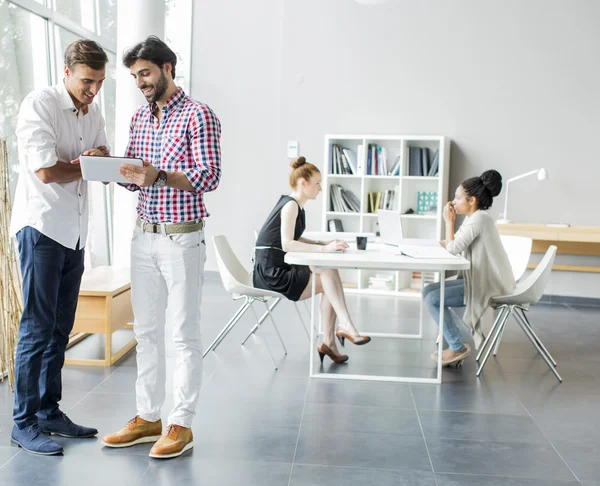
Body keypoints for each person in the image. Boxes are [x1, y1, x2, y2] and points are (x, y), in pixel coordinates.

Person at [101, 36, 221, 460]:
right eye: (135, 76)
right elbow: (135, 175)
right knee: (147, 333)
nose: (141, 82)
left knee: (182, 334)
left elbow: (209, 176)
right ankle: (147, 416)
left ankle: (181, 423)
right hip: (143, 236)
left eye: (146, 73)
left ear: (169, 67)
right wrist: (110, 167)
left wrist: (160, 176)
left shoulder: (198, 115)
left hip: (182, 237)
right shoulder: (138, 118)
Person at [9, 39, 110, 455]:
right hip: (42, 229)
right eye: (87, 81)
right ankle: (23, 421)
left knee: (60, 327)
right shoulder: (40, 105)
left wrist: (97, 158)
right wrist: (88, 163)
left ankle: (49, 410)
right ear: (66, 70)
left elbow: (103, 162)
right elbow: (48, 172)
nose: (93, 90)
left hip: (76, 232)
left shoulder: (95, 110)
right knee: (36, 327)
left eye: (100, 82)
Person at [253, 156, 370, 365]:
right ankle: (341, 329)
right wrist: (324, 248)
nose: (320, 189)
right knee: (328, 273)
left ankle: (330, 341)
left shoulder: (296, 205)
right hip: (271, 274)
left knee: (328, 275)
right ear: (303, 183)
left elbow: (295, 238)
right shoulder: (290, 206)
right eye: (317, 184)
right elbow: (288, 244)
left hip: (278, 267)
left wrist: (321, 242)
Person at [423, 170, 515, 367]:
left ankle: (457, 347)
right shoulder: (475, 219)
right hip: (478, 279)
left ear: (471, 200)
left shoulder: (480, 219)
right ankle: (455, 342)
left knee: (433, 298)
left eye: (457, 198)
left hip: (490, 285)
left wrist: (449, 221)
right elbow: (453, 243)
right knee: (427, 291)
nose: (454, 202)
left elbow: (453, 248)